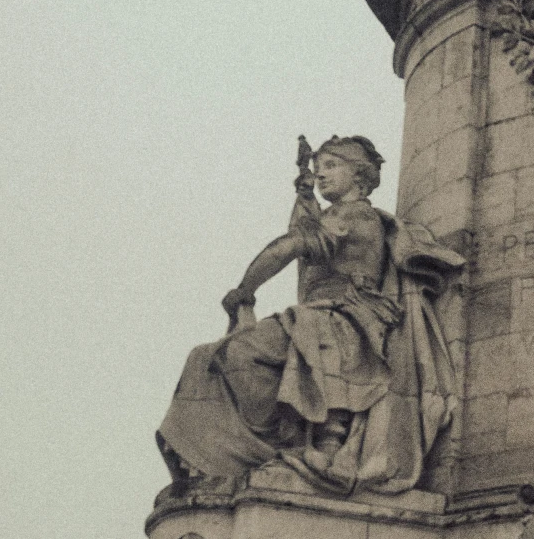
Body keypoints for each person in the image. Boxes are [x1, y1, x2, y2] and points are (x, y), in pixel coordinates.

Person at [156, 137, 463, 499]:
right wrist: (305, 201)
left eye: (332, 165)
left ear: (359, 175)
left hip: (346, 318)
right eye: (319, 167)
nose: (321, 174)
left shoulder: (352, 215)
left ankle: (278, 449)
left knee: (233, 354)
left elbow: (289, 246)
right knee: (213, 356)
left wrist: (245, 289)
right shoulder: (338, 216)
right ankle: (267, 451)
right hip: (321, 316)